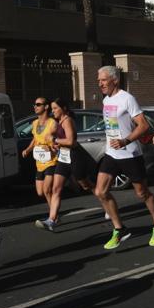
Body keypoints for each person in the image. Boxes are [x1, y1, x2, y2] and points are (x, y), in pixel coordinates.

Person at [94, 66, 154, 249]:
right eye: (99, 80)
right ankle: (120, 229)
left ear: (114, 80)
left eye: (103, 80)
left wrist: (125, 141)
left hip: (130, 153)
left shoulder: (127, 99)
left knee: (142, 193)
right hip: (112, 153)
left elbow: (143, 126)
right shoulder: (106, 100)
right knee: (100, 191)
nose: (99, 83)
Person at [37, 98, 97, 231]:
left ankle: (105, 200)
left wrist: (54, 139)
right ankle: (52, 220)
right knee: (56, 188)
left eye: (55, 108)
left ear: (64, 108)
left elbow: (71, 141)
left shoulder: (68, 121)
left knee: (86, 185)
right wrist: (54, 145)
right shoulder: (59, 122)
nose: (53, 111)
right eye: (52, 109)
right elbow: (58, 138)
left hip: (75, 157)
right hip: (63, 159)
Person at [21, 97, 57, 210]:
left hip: (51, 161)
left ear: (46, 107)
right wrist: (28, 149)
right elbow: (35, 139)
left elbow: (56, 140)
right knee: (40, 192)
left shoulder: (53, 123)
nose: (35, 107)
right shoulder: (35, 123)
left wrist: (52, 148)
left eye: (38, 104)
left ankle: (53, 216)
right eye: (34, 104)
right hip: (39, 162)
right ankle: (54, 210)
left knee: (47, 190)